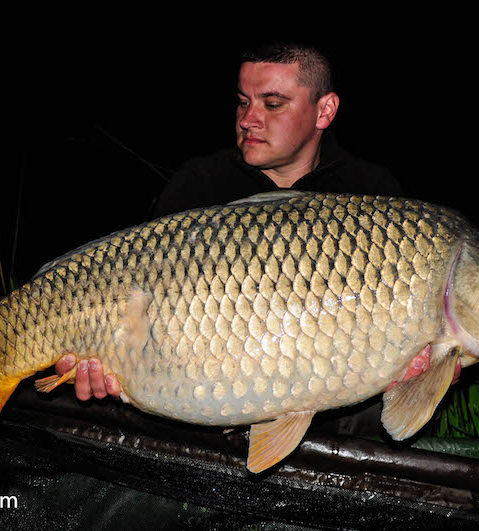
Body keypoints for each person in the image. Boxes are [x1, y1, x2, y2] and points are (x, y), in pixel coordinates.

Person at [55, 42, 403, 402]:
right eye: (242, 101)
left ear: (324, 111)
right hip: (198, 394)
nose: (247, 120)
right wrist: (113, 364)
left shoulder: (372, 196)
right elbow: (137, 303)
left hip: (335, 418)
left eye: (272, 104)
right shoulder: (199, 186)